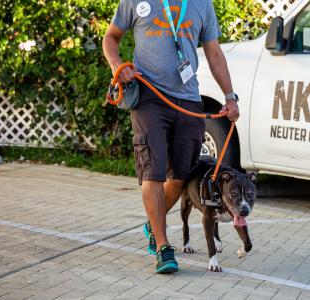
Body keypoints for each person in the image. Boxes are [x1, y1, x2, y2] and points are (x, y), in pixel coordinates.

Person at [103, 0, 239, 274]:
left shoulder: (203, 5)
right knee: (152, 172)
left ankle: (153, 223)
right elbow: (111, 37)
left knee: (181, 174)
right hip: (148, 95)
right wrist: (118, 65)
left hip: (188, 99)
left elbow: (214, 54)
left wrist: (229, 96)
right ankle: (163, 245)